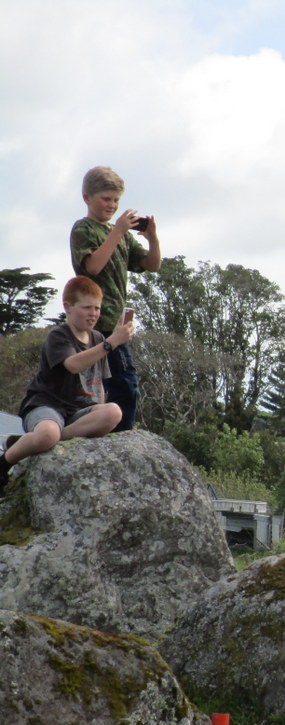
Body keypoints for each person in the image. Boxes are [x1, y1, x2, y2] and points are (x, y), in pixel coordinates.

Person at [0, 277, 131, 492]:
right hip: (46, 406)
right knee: (48, 434)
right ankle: (5, 461)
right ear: (68, 307)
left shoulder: (98, 338)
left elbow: (98, 382)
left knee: (113, 412)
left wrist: (98, 414)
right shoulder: (59, 335)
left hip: (77, 413)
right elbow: (73, 365)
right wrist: (112, 342)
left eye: (97, 308)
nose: (93, 313)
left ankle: (26, 442)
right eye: (87, 307)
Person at [69, 165, 161, 431]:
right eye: (105, 199)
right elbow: (93, 266)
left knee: (123, 384)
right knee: (115, 385)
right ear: (87, 197)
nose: (111, 205)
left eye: (115, 200)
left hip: (116, 325)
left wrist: (152, 239)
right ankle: (117, 437)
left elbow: (151, 265)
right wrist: (117, 231)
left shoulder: (119, 235)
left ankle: (116, 435)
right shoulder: (84, 229)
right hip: (94, 324)